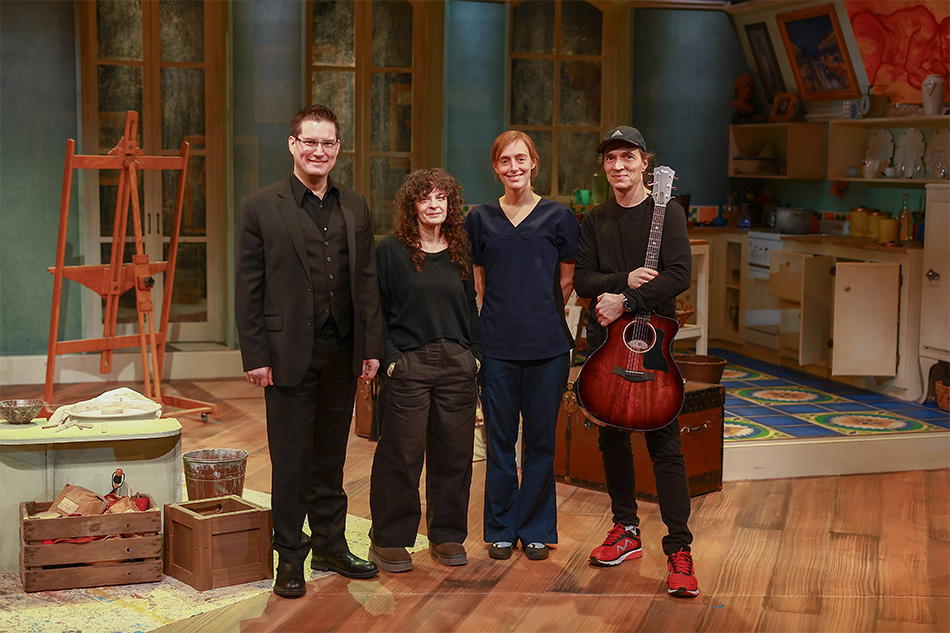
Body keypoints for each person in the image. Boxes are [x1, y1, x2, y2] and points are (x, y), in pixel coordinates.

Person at [235, 104, 385, 598]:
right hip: (284, 354)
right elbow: (248, 287)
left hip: (343, 352)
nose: (319, 151)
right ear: (293, 145)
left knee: (330, 458)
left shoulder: (355, 206)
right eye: (310, 142)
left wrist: (370, 346)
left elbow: (366, 282)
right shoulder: (260, 206)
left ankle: (330, 545)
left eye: (328, 143)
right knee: (291, 460)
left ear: (337, 148)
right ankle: (290, 557)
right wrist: (255, 354)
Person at [573, 126, 699, 598]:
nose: (619, 165)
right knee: (612, 439)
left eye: (628, 156)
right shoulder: (595, 218)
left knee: (665, 446)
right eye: (611, 158)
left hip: (652, 347)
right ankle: (625, 530)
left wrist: (624, 299)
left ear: (645, 163)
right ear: (603, 166)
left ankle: (679, 551)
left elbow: (679, 274)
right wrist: (624, 279)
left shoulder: (669, 214)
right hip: (606, 347)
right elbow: (584, 280)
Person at [464, 130, 579, 562]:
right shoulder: (479, 220)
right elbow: (479, 282)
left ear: (534, 163)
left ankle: (534, 528)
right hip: (496, 346)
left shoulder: (559, 217)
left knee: (540, 442)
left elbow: (566, 279)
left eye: (521, 159)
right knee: (498, 441)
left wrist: (539, 316)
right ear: (496, 168)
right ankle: (499, 528)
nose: (514, 167)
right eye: (504, 161)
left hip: (548, 347)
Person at [368, 168, 482, 573]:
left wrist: (476, 354)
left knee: (454, 455)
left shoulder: (458, 249)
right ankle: (390, 539)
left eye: (441, 198)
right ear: (411, 205)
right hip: (409, 363)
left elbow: (469, 305)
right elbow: (375, 310)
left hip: (457, 362)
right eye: (425, 198)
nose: (433, 205)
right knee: (401, 454)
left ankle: (447, 534)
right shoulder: (390, 250)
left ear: (450, 204)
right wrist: (392, 357)